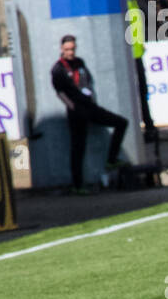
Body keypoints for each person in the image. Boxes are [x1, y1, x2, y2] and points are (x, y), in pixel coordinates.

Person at [50, 34, 128, 193]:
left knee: (121, 122)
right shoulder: (58, 68)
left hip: (89, 106)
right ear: (61, 49)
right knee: (78, 147)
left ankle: (112, 159)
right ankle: (78, 185)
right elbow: (60, 92)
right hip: (76, 111)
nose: (70, 52)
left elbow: (87, 82)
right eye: (67, 49)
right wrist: (72, 106)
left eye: (72, 49)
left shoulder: (79, 63)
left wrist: (91, 98)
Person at [128, 0, 157, 141]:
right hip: (127, 56)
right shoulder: (120, 1)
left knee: (143, 91)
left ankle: (149, 126)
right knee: (133, 93)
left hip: (137, 53)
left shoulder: (132, 0)